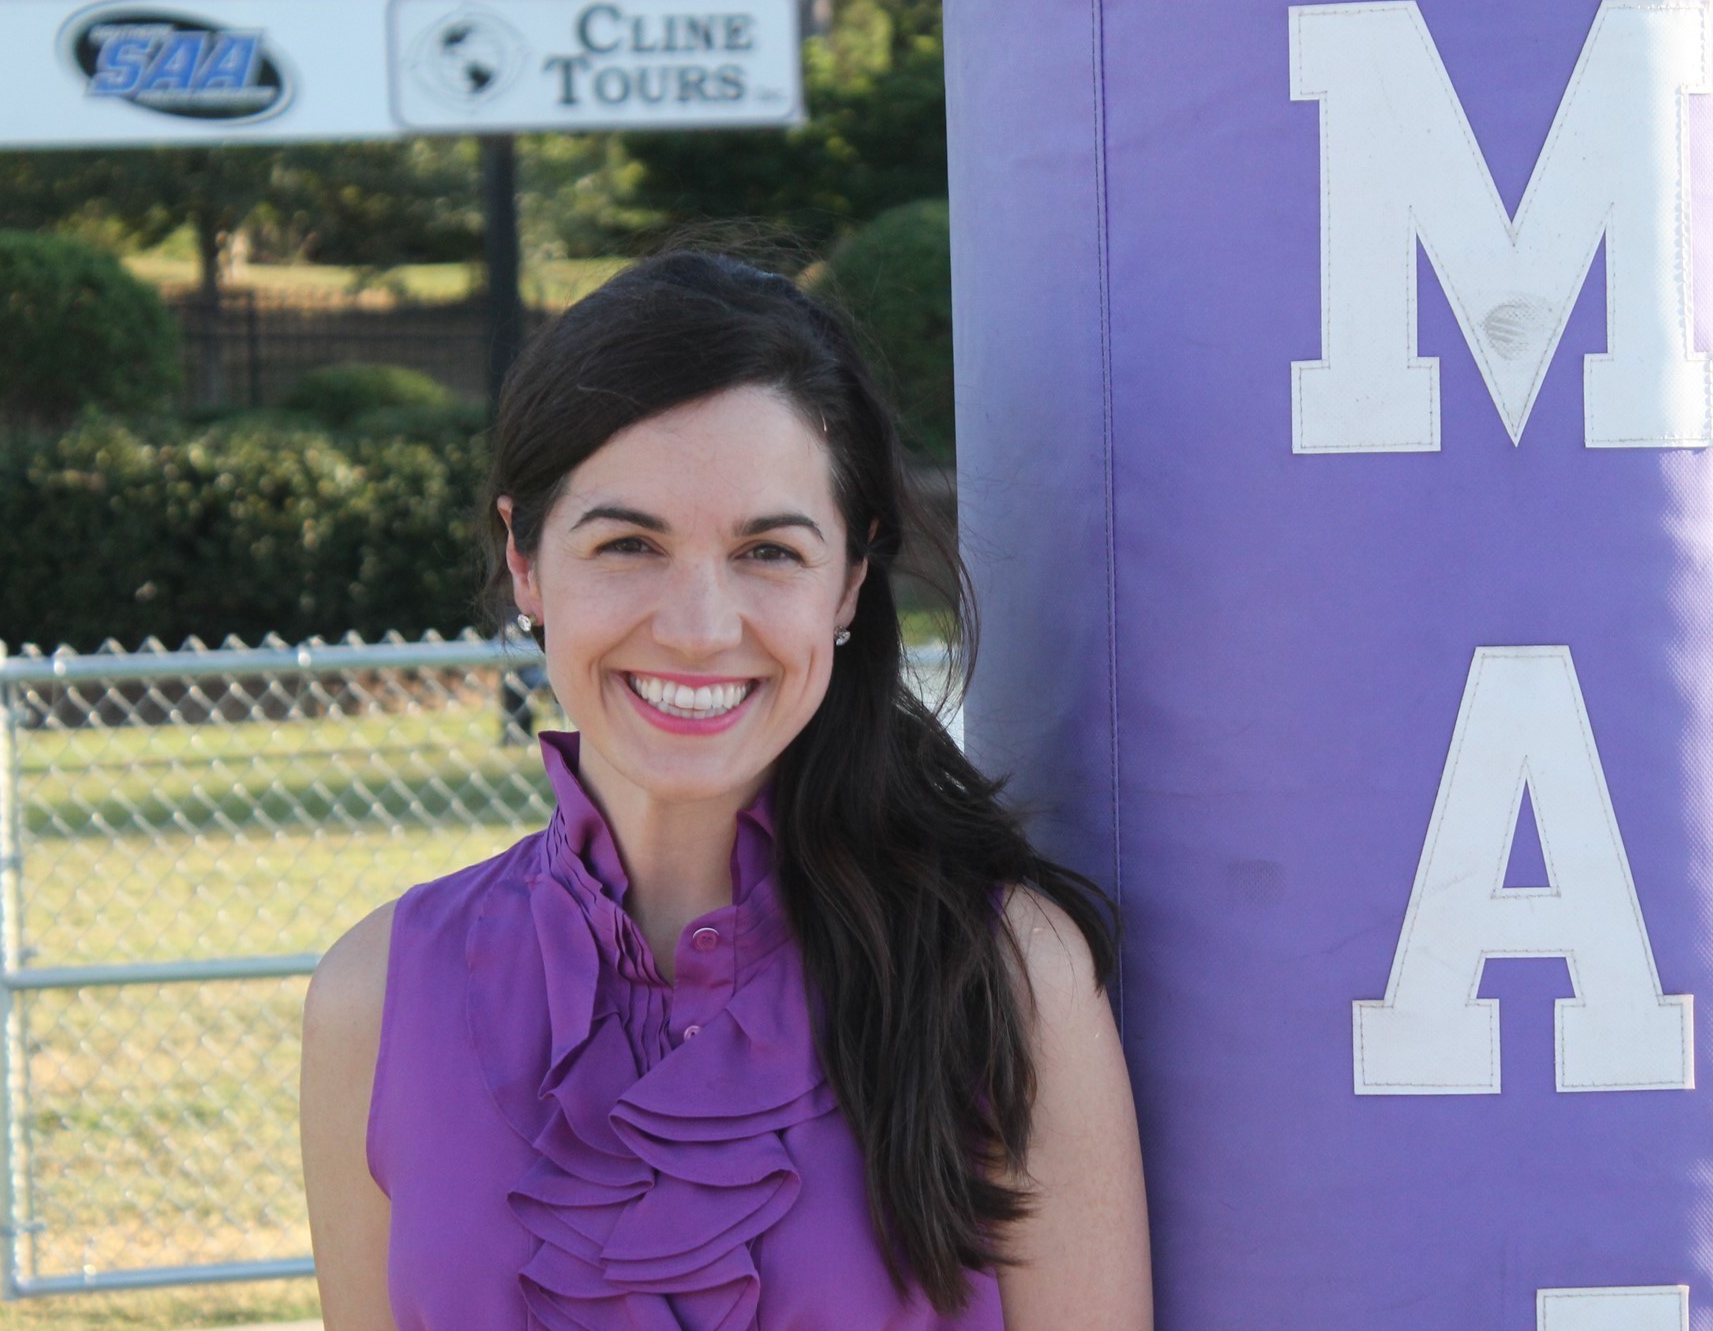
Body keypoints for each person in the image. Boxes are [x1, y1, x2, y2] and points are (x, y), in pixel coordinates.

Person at [300, 251, 1151, 1329]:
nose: (699, 626)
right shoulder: (371, 1001)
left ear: (846, 580)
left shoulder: (1004, 976)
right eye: (626, 543)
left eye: (766, 550)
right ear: (524, 561)